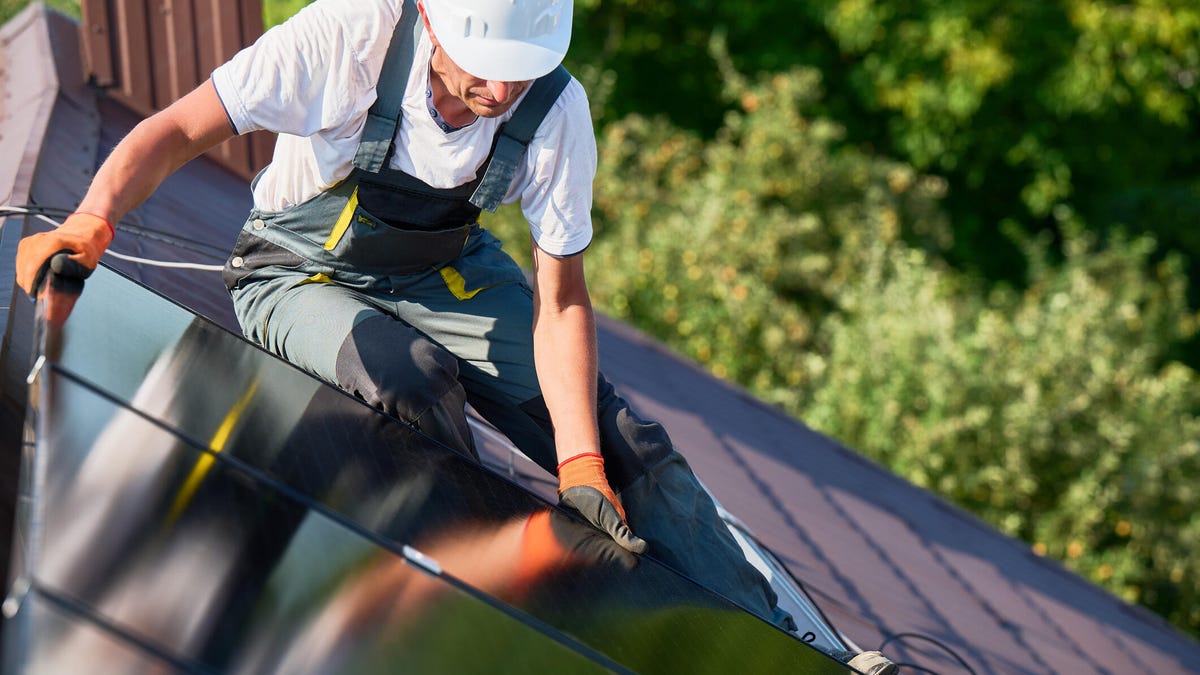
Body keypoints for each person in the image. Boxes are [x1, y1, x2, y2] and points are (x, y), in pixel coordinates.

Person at [15, 2, 899, 670]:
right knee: (413, 382)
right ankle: (438, 615)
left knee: (631, 447)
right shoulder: (349, 36)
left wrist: (581, 461)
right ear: (433, 16)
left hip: (447, 268)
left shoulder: (554, 108)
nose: (500, 92)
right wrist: (93, 218)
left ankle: (792, 646)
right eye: (484, 68)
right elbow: (178, 128)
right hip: (295, 270)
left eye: (518, 72)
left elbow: (561, 301)